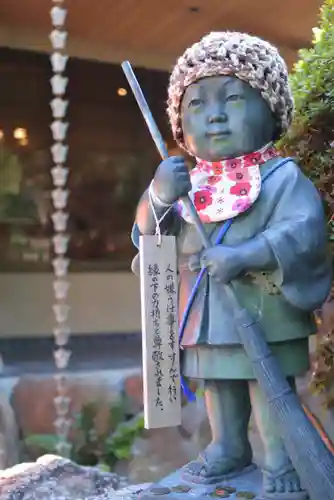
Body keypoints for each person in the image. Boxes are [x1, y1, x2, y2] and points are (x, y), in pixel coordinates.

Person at [131, 31, 332, 499]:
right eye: (197, 104)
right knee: (218, 382)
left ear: (271, 109)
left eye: (234, 98)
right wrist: (159, 195)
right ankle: (227, 447)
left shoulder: (280, 177)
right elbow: (150, 236)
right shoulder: (185, 182)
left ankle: (281, 459)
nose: (215, 113)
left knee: (268, 385)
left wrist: (246, 254)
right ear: (180, 123)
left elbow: (301, 231)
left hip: (265, 308)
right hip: (206, 309)